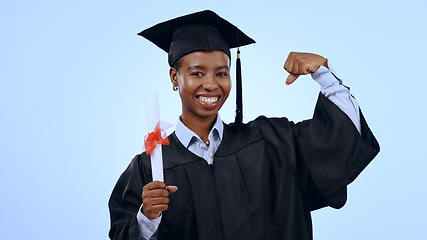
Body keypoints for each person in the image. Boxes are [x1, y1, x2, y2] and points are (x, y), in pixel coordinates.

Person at [108, 10, 380, 240]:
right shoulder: (149, 169)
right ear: (174, 77)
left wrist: (324, 74)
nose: (211, 84)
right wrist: (147, 218)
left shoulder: (272, 142)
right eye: (197, 73)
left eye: (222, 73)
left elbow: (339, 142)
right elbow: (122, 233)